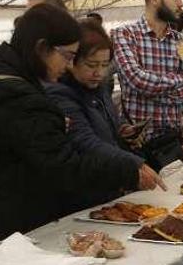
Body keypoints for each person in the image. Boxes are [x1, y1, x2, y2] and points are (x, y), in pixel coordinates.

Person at [0, 4, 163, 256]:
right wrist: (125, 169)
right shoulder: (19, 97)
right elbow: (64, 168)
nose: (68, 65)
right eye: (68, 57)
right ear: (42, 48)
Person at [45, 19, 147, 210]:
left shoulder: (99, 88)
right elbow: (85, 141)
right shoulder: (59, 93)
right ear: (71, 60)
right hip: (81, 194)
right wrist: (133, 164)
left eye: (104, 65)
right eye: (91, 65)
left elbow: (107, 123)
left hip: (107, 187)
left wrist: (122, 130)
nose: (99, 73)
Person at [110, 0, 183, 166]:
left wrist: (155, 90)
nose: (181, 3)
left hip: (174, 143)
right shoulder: (125, 34)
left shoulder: (180, 40)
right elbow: (138, 80)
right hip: (139, 146)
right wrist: (177, 84)